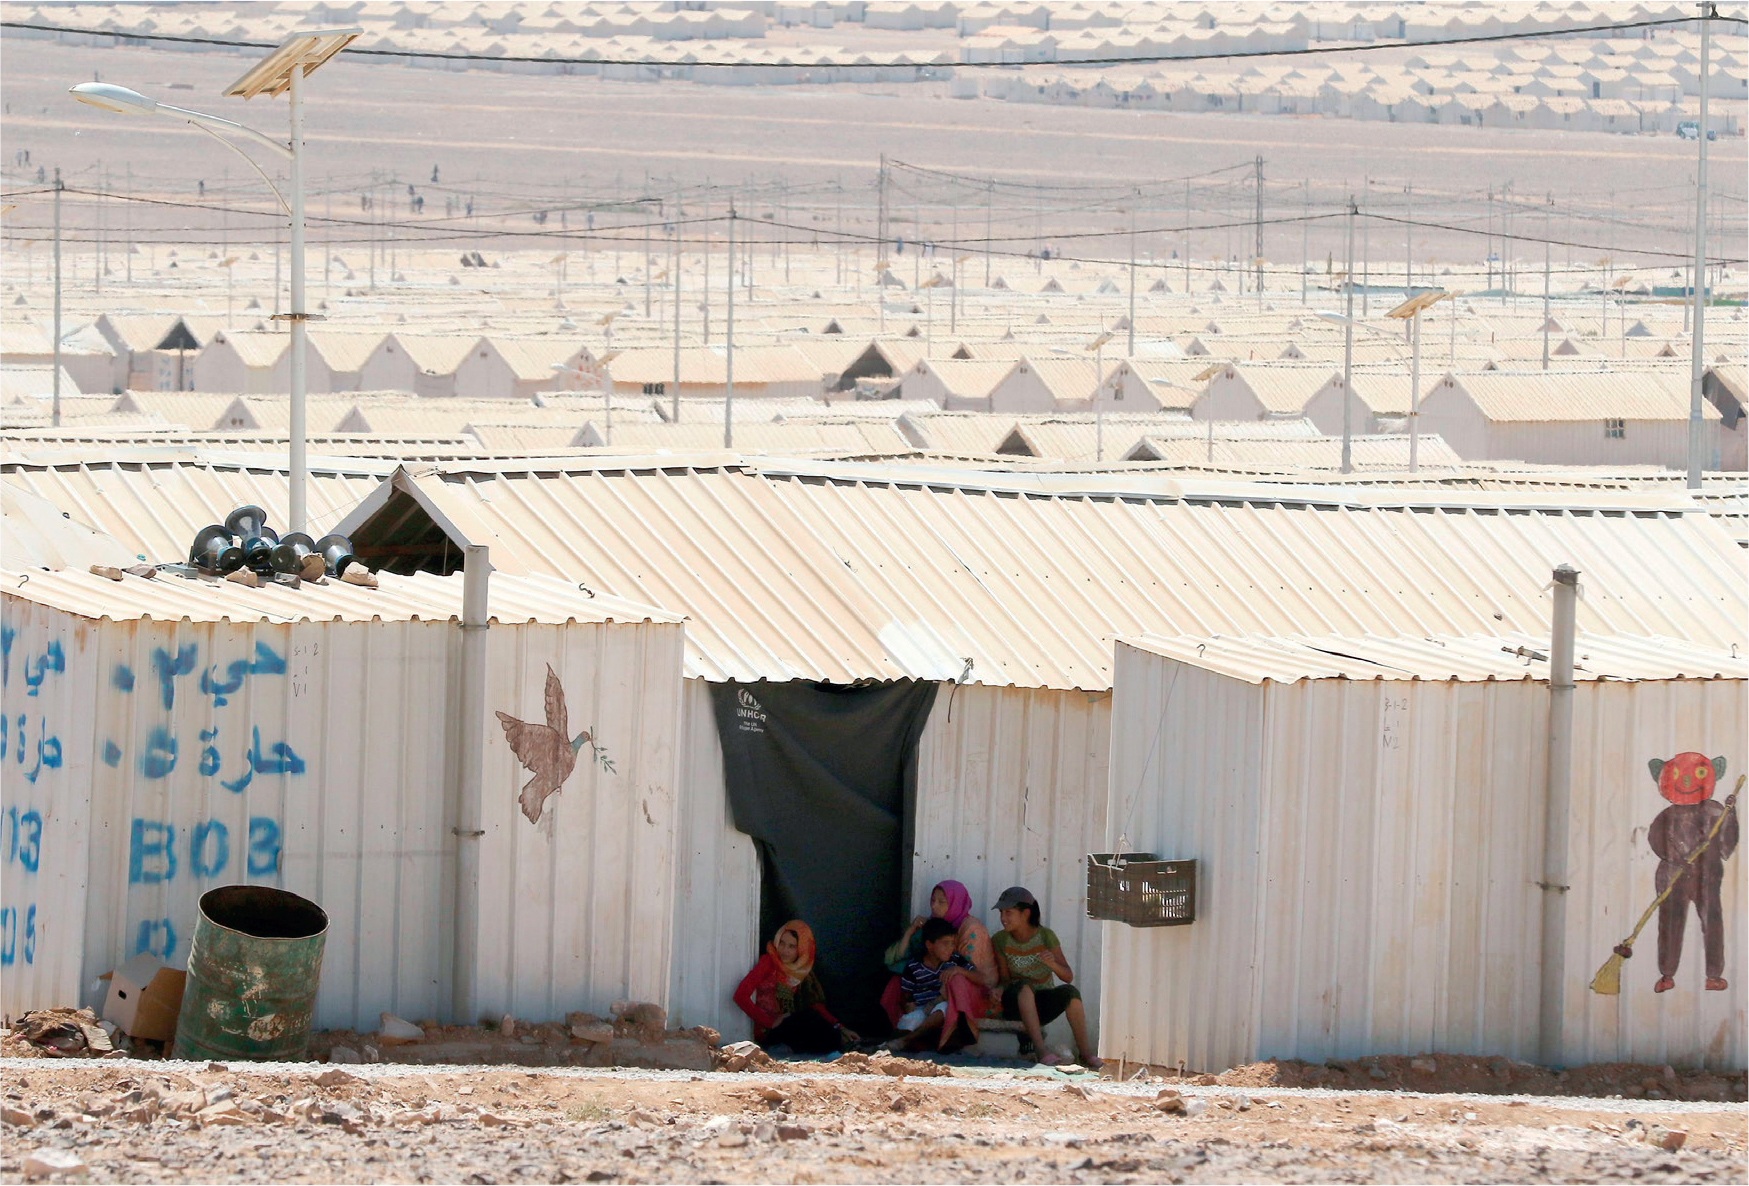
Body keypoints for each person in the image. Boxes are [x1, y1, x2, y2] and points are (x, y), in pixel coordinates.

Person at [991, 886, 1102, 1070]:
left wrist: (1053, 965)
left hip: (1040, 1003)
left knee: (1070, 993)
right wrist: (1000, 988)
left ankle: (1085, 1054)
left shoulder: (1045, 936)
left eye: (1008, 913)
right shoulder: (1000, 940)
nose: (1003, 918)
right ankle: (1041, 1051)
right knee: (1024, 987)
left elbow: (1067, 976)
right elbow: (1004, 978)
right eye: (1001, 913)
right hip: (1015, 1003)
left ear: (1025, 914)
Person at [882, 880, 996, 1045]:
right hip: (927, 1001)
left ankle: (956, 1036)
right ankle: (891, 1039)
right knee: (896, 982)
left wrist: (956, 973)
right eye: (933, 901)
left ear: (956, 903)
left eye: (942, 902)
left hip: (978, 994)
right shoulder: (931, 929)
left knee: (954, 982)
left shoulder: (971, 929)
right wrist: (910, 931)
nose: (934, 906)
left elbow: (974, 975)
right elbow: (894, 959)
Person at [734, 920, 859, 1054]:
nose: (785, 950)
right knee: (807, 1022)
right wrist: (770, 1022)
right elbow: (740, 995)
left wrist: (840, 1027)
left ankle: (842, 1047)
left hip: (790, 1024)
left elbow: (814, 1005)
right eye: (782, 943)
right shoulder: (768, 962)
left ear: (801, 949)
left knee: (816, 1021)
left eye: (792, 946)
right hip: (768, 1031)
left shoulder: (801, 971)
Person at [892, 918, 973, 1051]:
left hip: (940, 1011)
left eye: (953, 943)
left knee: (945, 1008)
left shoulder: (955, 961)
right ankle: (913, 1039)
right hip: (922, 1011)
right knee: (911, 1021)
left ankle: (908, 1040)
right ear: (929, 945)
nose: (950, 948)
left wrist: (959, 970)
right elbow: (907, 998)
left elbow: (980, 977)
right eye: (945, 943)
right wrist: (912, 1008)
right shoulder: (913, 967)